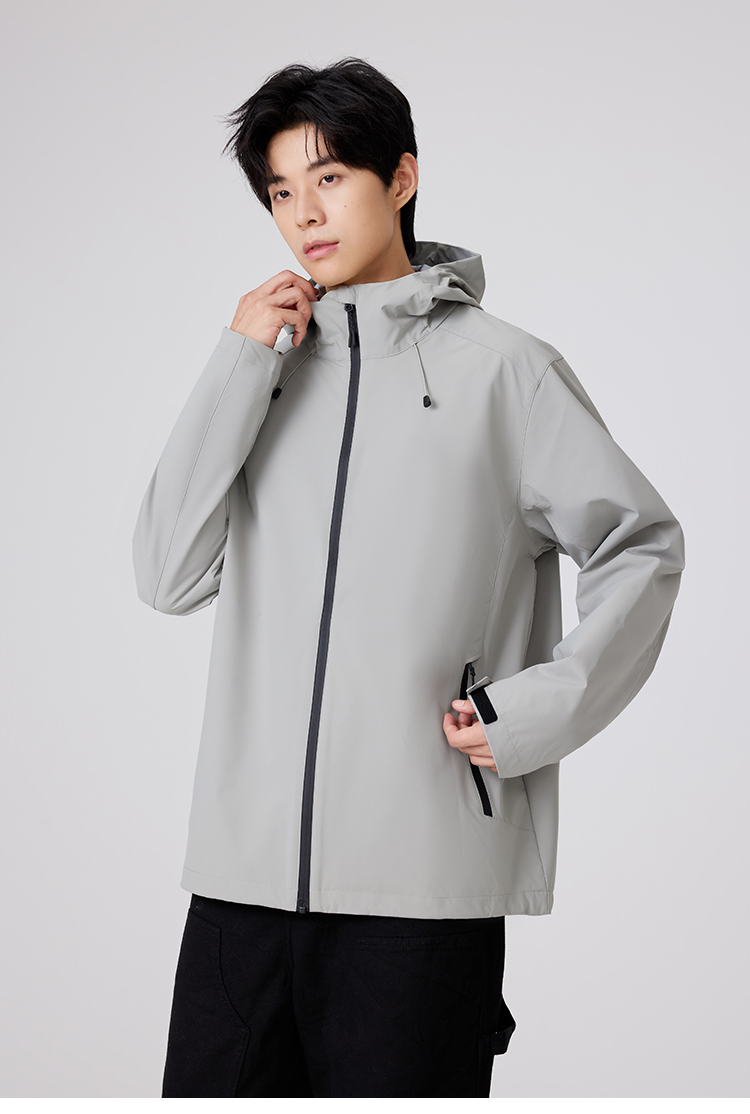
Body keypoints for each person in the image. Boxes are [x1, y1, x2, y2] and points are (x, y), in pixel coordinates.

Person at [132, 57, 685, 1098]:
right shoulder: (263, 372)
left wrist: (530, 712)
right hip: (240, 898)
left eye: (329, 177)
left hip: (419, 902)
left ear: (401, 176)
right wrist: (238, 359)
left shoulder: (507, 372)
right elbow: (167, 571)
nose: (304, 214)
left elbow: (643, 545)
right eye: (280, 192)